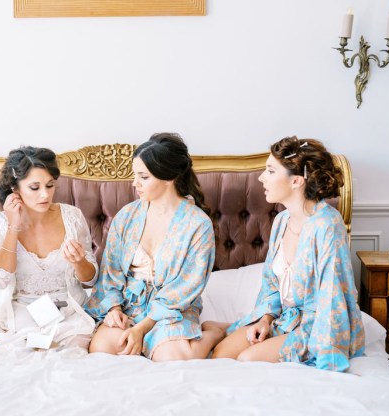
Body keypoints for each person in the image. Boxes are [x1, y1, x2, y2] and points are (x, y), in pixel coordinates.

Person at [212, 136, 365, 372]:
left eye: (270, 171)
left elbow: (332, 296)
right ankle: (226, 328)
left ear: (296, 181)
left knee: (247, 361)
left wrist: (329, 360)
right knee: (221, 354)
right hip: (283, 319)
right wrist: (265, 319)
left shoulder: (326, 226)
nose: (261, 177)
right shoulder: (281, 221)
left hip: (314, 327)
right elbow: (271, 284)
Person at [85, 133, 223, 361]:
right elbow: (110, 273)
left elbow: (185, 286)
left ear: (168, 177)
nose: (134, 183)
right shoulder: (127, 216)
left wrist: (141, 329)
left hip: (171, 309)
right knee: (102, 350)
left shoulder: (197, 224)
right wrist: (114, 310)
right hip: (128, 304)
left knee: (172, 358)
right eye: (134, 175)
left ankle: (214, 332)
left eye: (143, 177)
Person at [0, 146, 98, 349]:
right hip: (23, 313)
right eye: (35, 188)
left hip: (69, 312)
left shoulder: (72, 216)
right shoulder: (0, 221)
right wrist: (13, 226)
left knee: (73, 349)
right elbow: (0, 279)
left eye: (50, 186)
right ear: (15, 189)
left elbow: (90, 280)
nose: (45, 195)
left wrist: (79, 262)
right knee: (8, 344)